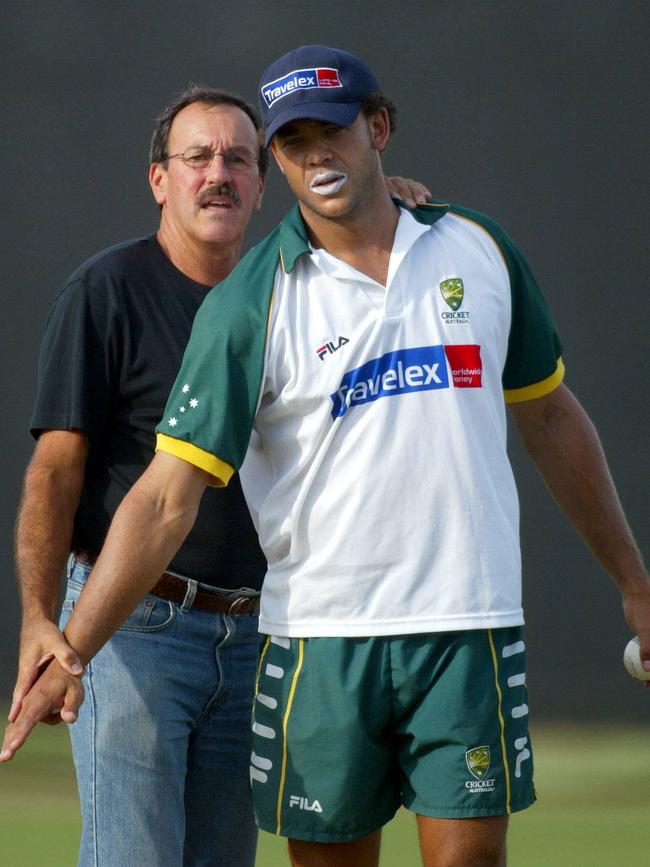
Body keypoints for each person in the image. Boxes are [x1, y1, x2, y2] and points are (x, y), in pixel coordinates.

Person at [3, 45, 648, 867]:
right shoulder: (244, 301)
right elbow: (161, 496)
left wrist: (635, 582)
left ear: (377, 128)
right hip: (301, 638)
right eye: (293, 141)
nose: (315, 155)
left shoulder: (476, 250)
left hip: (459, 623)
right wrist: (71, 641)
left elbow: (553, 420)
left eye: (331, 132)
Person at [3, 80, 430, 867]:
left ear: (266, 182)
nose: (219, 174)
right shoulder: (107, 292)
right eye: (196, 157)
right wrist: (39, 617)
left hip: (258, 633)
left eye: (239, 157)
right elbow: (55, 470)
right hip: (136, 628)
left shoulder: (297, 287)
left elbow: (389, 265)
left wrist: (388, 201)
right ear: (159, 179)